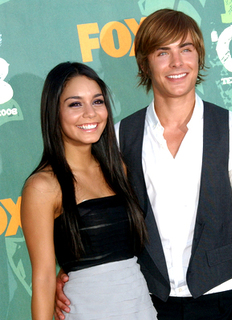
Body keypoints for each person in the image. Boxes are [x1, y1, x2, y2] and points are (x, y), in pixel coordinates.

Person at [55, 9, 232, 320]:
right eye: (162, 52)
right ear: (145, 63)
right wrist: (69, 274)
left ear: (199, 56)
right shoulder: (117, 137)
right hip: (146, 302)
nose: (177, 63)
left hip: (220, 301)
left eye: (186, 49)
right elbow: (97, 217)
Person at [21, 62, 157, 320]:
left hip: (140, 307)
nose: (90, 113)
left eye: (97, 101)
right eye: (75, 104)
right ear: (54, 112)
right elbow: (43, 278)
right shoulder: (43, 187)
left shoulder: (119, 169)